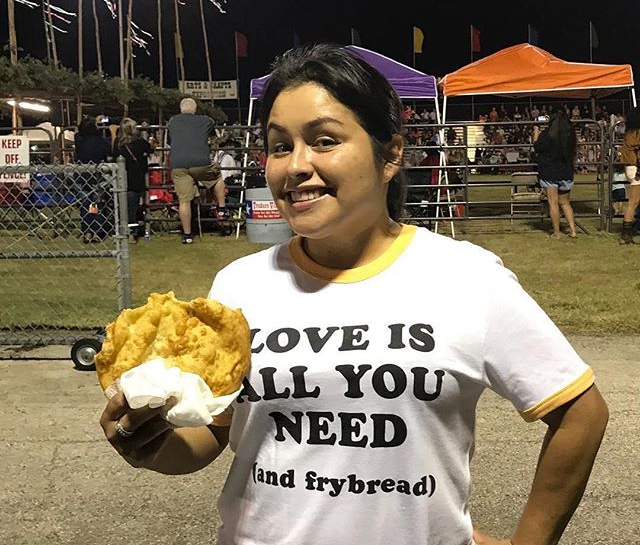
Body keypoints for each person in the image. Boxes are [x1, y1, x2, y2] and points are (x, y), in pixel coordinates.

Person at [100, 45, 608, 545]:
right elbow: (211, 433)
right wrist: (146, 441)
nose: (296, 166)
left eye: (324, 140)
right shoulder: (239, 286)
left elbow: (581, 413)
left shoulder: (467, 277)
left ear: (390, 153)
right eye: (280, 146)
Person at [167, 97, 226, 244]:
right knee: (217, 177)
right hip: (200, 162)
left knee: (184, 201)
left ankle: (187, 235)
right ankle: (222, 208)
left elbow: (170, 141)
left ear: (181, 109)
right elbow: (214, 136)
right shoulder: (206, 121)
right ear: (194, 109)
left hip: (179, 164)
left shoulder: (172, 121)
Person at [533, 111, 578, 239]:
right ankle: (573, 230)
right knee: (565, 203)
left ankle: (556, 232)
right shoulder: (570, 135)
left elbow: (537, 147)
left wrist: (536, 130)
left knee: (553, 203)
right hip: (566, 171)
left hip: (549, 172)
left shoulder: (547, 135)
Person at [112, 118, 153, 243]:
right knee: (132, 209)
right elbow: (150, 149)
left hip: (121, 179)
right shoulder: (139, 142)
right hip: (136, 179)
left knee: (120, 207)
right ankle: (132, 233)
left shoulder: (118, 143)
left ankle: (120, 230)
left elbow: (113, 155)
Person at [75, 117, 111, 243]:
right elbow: (109, 149)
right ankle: (96, 230)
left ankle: (87, 231)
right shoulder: (99, 140)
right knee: (95, 205)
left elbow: (78, 133)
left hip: (81, 176)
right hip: (96, 177)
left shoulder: (79, 140)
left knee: (85, 205)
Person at [618, 106, 640, 243]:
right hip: (636, 167)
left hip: (632, 167)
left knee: (634, 201)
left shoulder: (630, 132)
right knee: (633, 201)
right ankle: (626, 234)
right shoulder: (637, 134)